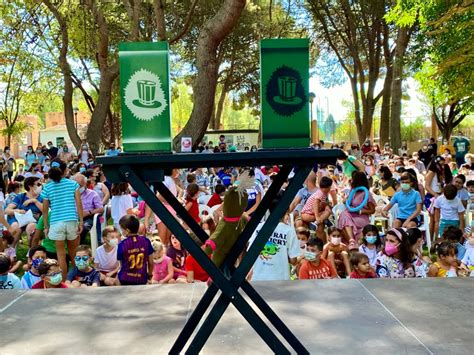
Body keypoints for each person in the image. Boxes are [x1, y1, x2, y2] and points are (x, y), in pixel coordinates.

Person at [41, 158, 84, 280]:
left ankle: (63, 280)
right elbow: (79, 204)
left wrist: (46, 227)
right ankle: (79, 277)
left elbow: (44, 210)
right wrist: (81, 221)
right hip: (71, 220)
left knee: (61, 255)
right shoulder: (73, 184)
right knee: (74, 252)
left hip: (55, 222)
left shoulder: (47, 187)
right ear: (65, 171)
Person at [248, 196, 300, 281]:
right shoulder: (289, 231)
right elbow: (293, 260)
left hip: (259, 277)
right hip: (280, 278)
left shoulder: (259, 227)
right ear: (286, 212)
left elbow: (250, 251)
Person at [337, 172, 375, 249]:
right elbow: (349, 203)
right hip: (350, 214)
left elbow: (372, 210)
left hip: (361, 217)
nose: (351, 180)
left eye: (353, 179)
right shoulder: (352, 191)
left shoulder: (366, 193)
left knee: (344, 217)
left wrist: (360, 211)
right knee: (343, 216)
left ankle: (351, 243)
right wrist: (345, 201)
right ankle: (351, 242)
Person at [5, 176, 43, 246]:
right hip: (19, 219)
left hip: (34, 220)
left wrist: (35, 201)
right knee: (15, 226)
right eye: (38, 184)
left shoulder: (42, 197)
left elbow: (45, 211)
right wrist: (18, 211)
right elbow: (7, 210)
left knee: (31, 226)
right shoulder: (21, 196)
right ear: (30, 186)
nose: (40, 186)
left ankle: (31, 252)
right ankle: (10, 251)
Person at [144, 169, 179, 246]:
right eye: (176, 169)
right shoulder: (166, 180)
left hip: (170, 210)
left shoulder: (170, 180)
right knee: (163, 240)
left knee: (168, 240)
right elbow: (160, 196)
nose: (178, 171)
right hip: (164, 210)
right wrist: (170, 201)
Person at [117, 215, 154, 285]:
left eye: (122, 230)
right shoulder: (146, 241)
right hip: (142, 279)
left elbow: (121, 265)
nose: (121, 232)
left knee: (116, 278)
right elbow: (151, 262)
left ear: (127, 230)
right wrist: (149, 275)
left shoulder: (122, 244)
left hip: (125, 279)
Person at [72, 174, 104, 244]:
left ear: (85, 184)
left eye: (79, 185)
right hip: (72, 217)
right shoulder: (69, 194)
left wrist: (88, 212)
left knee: (84, 227)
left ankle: (79, 244)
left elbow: (101, 209)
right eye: (75, 185)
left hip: (87, 217)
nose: (77, 187)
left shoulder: (92, 194)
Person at [300, 176, 333, 240]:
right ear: (328, 187)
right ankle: (316, 222)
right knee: (328, 211)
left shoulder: (323, 194)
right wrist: (317, 217)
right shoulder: (320, 193)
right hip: (307, 214)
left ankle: (324, 220)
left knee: (326, 212)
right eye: (330, 187)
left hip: (309, 214)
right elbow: (316, 203)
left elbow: (322, 204)